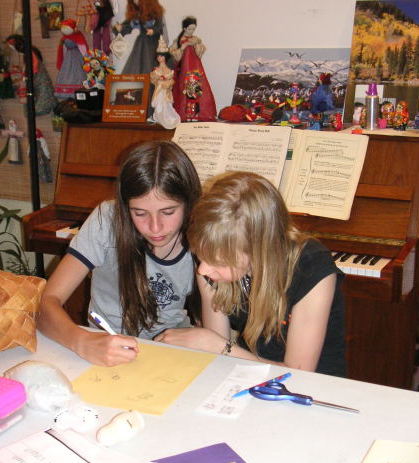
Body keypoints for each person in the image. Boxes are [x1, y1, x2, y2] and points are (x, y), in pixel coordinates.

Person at [155, 172, 346, 376]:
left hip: (313, 385)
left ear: (258, 250)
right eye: (202, 257)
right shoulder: (212, 268)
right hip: (251, 374)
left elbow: (299, 374)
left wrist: (214, 345)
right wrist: (211, 345)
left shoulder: (311, 267)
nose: (203, 270)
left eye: (219, 262)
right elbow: (219, 357)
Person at [38, 141, 202, 367]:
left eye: (168, 212)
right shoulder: (107, 219)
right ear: (125, 208)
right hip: (108, 345)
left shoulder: (202, 229)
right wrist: (82, 342)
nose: (155, 228)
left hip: (174, 345)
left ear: (189, 204)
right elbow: (45, 303)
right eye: (140, 213)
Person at [170, 16, 216, 122]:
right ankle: (184, 113)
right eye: (189, 29)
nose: (191, 31)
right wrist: (184, 46)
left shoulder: (195, 40)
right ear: (184, 28)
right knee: (184, 89)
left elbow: (200, 52)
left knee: (197, 89)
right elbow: (175, 55)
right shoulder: (178, 41)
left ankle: (197, 113)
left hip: (195, 67)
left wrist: (196, 44)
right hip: (184, 68)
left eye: (193, 29)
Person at [113, 0, 165, 75]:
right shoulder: (136, 13)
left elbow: (159, 27)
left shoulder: (155, 12)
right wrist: (120, 28)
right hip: (141, 42)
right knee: (137, 65)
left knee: (151, 63)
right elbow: (127, 26)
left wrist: (153, 31)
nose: (135, 1)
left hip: (154, 43)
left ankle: (150, 80)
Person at [150, 38, 180, 129]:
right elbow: (153, 80)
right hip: (159, 91)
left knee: (167, 104)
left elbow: (172, 81)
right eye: (158, 56)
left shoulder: (169, 71)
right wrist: (159, 81)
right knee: (159, 104)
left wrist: (167, 83)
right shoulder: (155, 71)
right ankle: (158, 117)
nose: (160, 58)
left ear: (165, 57)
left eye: (162, 56)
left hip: (166, 92)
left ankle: (168, 118)